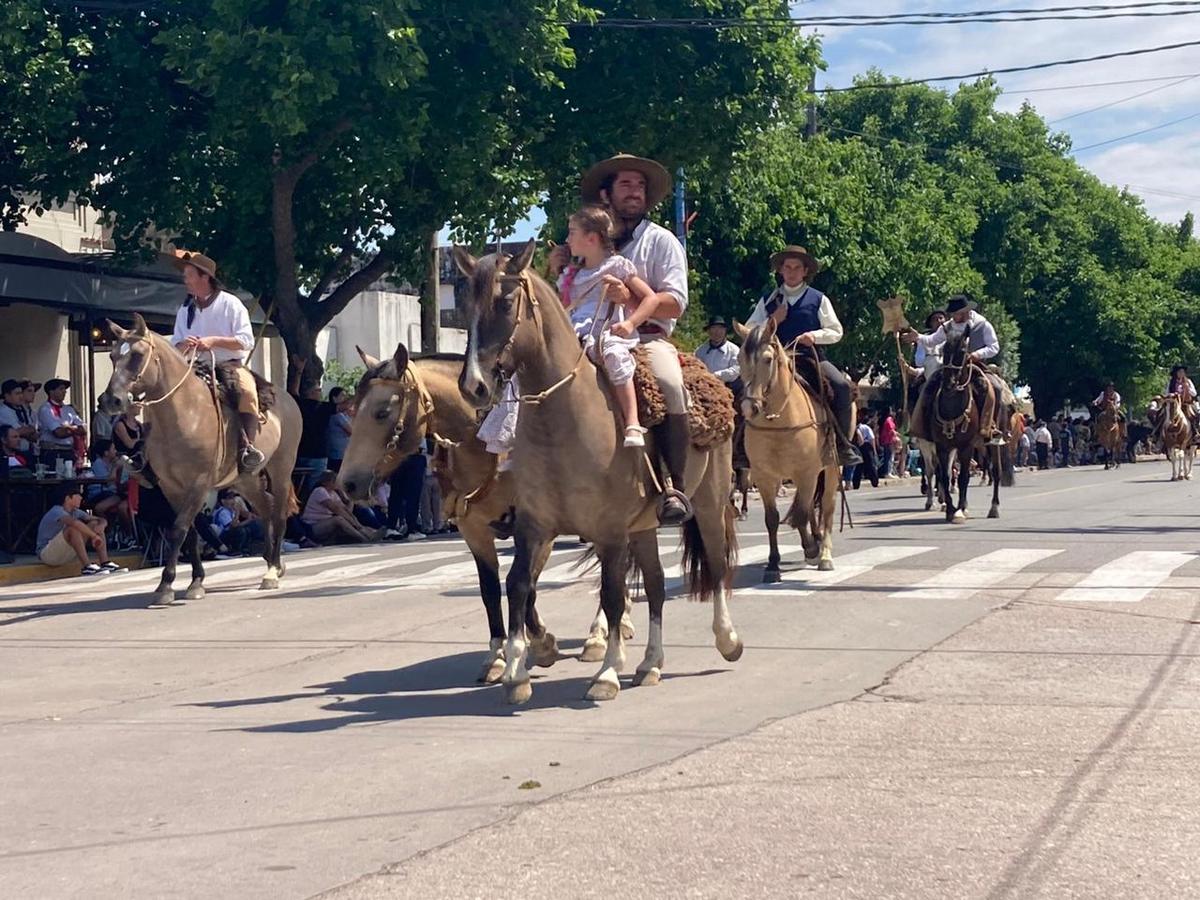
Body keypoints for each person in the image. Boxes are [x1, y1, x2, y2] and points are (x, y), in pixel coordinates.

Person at [550, 154, 693, 524]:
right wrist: (558, 268)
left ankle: (673, 486)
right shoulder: (583, 243)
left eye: (640, 185)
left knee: (670, 384)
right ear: (606, 193)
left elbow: (675, 303)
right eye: (626, 184)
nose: (635, 192)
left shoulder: (661, 241)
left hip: (643, 337)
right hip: (584, 336)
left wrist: (627, 302)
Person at [745, 246, 862, 467]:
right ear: (781, 270)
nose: (791, 272)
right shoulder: (768, 300)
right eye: (787, 267)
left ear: (805, 271)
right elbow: (750, 329)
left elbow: (836, 331)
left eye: (796, 268)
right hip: (774, 361)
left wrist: (814, 336)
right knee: (747, 391)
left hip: (810, 357)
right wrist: (773, 321)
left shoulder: (818, 299)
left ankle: (842, 446)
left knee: (841, 387)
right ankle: (742, 448)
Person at [559, 203, 659, 448]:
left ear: (591, 238)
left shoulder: (617, 266)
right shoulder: (572, 274)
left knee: (613, 353)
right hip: (573, 330)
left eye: (572, 232)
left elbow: (651, 298)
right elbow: (563, 307)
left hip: (605, 328)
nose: (567, 239)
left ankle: (632, 420)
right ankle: (516, 434)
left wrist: (629, 323)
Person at [169, 251, 264, 474]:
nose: (185, 280)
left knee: (247, 393)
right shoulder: (185, 310)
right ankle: (152, 450)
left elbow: (246, 341)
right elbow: (176, 345)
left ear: (205, 277)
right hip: (193, 366)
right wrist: (185, 344)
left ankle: (247, 448)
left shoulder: (231, 304)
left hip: (229, 365)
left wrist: (212, 341)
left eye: (189, 275)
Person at [903, 295, 1005, 446]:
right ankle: (921, 426)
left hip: (974, 365)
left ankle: (990, 427)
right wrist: (918, 337)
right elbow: (932, 341)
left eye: (955, 314)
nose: (952, 317)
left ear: (965, 312)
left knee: (995, 388)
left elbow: (994, 347)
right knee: (928, 386)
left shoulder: (982, 325)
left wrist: (977, 354)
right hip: (950, 367)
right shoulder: (948, 326)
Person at [35, 484, 124, 574]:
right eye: (78, 495)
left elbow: (100, 519)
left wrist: (102, 525)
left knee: (94, 524)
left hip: (65, 553)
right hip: (48, 554)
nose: (81, 498)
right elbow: (74, 523)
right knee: (73, 529)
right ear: (68, 498)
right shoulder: (57, 511)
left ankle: (105, 563)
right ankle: (87, 566)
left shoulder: (76, 512)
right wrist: (94, 536)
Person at [302, 470, 380, 544]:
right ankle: (364, 538)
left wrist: (354, 517)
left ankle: (373, 533)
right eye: (334, 481)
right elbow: (336, 509)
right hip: (313, 526)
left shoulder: (333, 493)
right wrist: (355, 524)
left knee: (348, 523)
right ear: (325, 482)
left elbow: (345, 509)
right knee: (338, 519)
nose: (337, 483)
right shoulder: (320, 491)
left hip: (326, 524)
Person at [37, 377, 87, 469]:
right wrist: (75, 429)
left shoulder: (69, 409)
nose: (64, 391)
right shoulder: (45, 409)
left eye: (64, 389)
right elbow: (59, 433)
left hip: (69, 451)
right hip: (52, 452)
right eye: (61, 389)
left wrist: (69, 427)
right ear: (51, 392)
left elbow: (83, 429)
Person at [86, 439, 133, 535]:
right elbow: (108, 481)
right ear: (106, 453)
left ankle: (113, 531)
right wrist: (115, 468)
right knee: (100, 508)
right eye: (113, 449)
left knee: (120, 505)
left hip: (113, 492)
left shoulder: (113, 463)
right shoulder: (99, 463)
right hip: (101, 492)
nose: (116, 451)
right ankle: (108, 531)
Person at [387, 450, 427, 541]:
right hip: (414, 455)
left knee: (396, 494)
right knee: (413, 496)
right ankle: (411, 529)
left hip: (397, 456)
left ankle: (391, 527)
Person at [695, 316, 741, 392]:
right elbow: (696, 368)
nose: (717, 332)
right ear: (708, 331)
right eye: (713, 328)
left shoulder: (734, 350)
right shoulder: (700, 351)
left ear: (725, 331)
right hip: (703, 387)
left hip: (728, 388)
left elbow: (735, 371)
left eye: (720, 328)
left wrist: (716, 376)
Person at [213, 488, 265, 555]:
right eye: (230, 498)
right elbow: (233, 526)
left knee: (252, 526)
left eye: (233, 498)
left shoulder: (231, 511)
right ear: (223, 501)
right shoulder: (222, 512)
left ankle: (254, 546)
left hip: (231, 532)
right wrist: (238, 512)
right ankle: (235, 549)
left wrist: (251, 518)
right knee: (242, 530)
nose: (233, 501)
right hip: (222, 537)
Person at [0, 378, 38, 456]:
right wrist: (28, 430)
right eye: (17, 394)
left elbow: (34, 435)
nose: (21, 396)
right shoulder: (4, 411)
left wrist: (29, 431)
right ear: (7, 396)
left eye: (21, 393)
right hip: (12, 454)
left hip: (28, 452)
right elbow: (17, 432)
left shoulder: (22, 410)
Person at [326, 388, 353, 472]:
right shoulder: (337, 415)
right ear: (334, 398)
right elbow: (351, 431)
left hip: (343, 454)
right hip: (338, 454)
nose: (345, 398)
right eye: (342, 395)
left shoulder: (344, 414)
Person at [877, 407, 897, 478]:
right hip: (888, 441)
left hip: (887, 440)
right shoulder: (889, 420)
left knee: (888, 456)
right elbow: (891, 431)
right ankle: (888, 472)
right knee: (889, 457)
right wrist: (898, 434)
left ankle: (888, 472)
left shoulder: (886, 420)